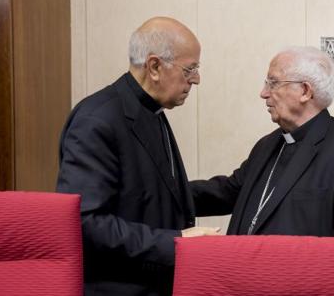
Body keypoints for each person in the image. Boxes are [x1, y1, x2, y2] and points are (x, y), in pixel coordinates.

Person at [56, 17, 219, 296]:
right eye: (189, 69)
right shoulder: (97, 120)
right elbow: (86, 222)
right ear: (155, 67)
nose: (196, 79)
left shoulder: (150, 109)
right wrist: (177, 241)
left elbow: (154, 193)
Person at [191, 46, 334, 239]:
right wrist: (168, 192)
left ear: (305, 91)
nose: (263, 93)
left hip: (301, 271)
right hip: (245, 268)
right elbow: (227, 192)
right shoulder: (267, 145)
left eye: (273, 83)